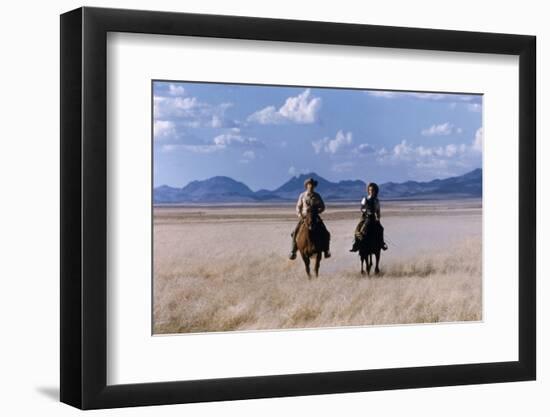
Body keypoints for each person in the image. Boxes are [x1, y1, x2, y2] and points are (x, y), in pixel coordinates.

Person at [289, 178, 331, 260]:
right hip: (304, 217)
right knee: (295, 232)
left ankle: (326, 250)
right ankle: (293, 251)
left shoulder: (317, 196)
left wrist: (317, 211)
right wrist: (300, 215)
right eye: (309, 184)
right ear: (306, 186)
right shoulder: (302, 196)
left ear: (314, 186)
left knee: (326, 232)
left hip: (315, 217)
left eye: (312, 185)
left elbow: (322, 207)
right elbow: (298, 207)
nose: (311, 186)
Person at [349, 182, 388, 252]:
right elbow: (362, 208)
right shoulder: (365, 199)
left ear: (375, 191)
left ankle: (382, 243)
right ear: (368, 191)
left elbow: (378, 210)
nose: (371, 192)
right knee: (358, 231)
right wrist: (365, 211)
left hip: (374, 218)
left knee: (381, 229)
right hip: (366, 218)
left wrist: (378, 217)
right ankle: (356, 245)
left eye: (373, 190)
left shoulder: (376, 200)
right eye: (370, 190)